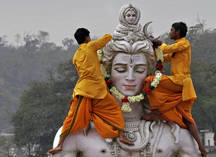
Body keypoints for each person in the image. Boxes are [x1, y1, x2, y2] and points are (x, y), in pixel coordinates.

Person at [48, 28, 133, 155]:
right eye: (89, 36)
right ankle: (60, 145)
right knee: (74, 118)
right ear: (87, 37)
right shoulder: (90, 46)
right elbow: (105, 39)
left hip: (98, 90)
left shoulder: (76, 55)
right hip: (86, 91)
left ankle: (121, 135)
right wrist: (115, 33)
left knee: (113, 108)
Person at [142, 22, 207, 157]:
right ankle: (202, 148)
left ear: (177, 32)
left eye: (172, 30)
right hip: (178, 82)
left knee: (149, 81)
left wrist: (159, 42)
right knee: (187, 118)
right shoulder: (177, 48)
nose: (170, 32)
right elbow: (163, 58)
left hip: (180, 81)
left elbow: (166, 49)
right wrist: (155, 48)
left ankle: (156, 113)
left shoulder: (184, 43)